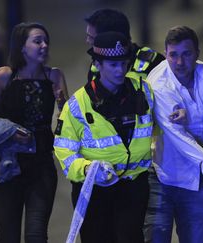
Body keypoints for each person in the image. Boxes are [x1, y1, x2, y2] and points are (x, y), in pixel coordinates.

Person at [54, 31, 154, 243]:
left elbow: (161, 129)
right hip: (94, 191)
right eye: (113, 65)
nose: (120, 70)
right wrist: (87, 169)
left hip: (133, 186)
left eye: (123, 63)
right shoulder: (78, 104)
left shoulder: (143, 91)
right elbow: (64, 149)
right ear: (97, 64)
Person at [0, 22, 69, 243]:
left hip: (41, 165)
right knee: (9, 237)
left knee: (36, 236)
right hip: (8, 166)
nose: (44, 45)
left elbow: (66, 121)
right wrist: (7, 133)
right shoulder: (5, 76)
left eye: (46, 41)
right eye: (37, 41)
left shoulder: (54, 76)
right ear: (22, 47)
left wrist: (63, 104)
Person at [143, 25, 203, 243]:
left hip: (196, 180)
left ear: (197, 53)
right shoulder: (158, 82)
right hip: (162, 175)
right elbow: (176, 135)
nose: (179, 63)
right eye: (173, 55)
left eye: (186, 54)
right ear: (165, 54)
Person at [84, 8, 164, 83]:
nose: (87, 41)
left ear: (113, 39)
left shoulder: (155, 65)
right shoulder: (97, 66)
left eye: (92, 38)